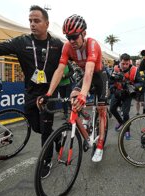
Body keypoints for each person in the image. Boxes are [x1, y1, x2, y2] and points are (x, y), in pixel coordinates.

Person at [0, 5, 64, 148]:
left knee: (46, 130)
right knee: (36, 127)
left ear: (47, 24)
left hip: (49, 93)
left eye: (36, 21)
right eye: (30, 21)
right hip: (30, 93)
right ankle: (57, 135)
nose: (32, 24)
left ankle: (45, 164)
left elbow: (73, 57)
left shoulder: (57, 44)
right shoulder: (22, 42)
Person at [44, 14, 109, 162]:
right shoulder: (67, 47)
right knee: (73, 98)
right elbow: (60, 70)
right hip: (87, 76)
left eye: (74, 36)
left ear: (84, 33)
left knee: (101, 109)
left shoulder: (92, 44)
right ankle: (86, 128)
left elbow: (90, 71)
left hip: (98, 76)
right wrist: (48, 93)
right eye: (68, 37)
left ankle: (99, 145)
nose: (71, 41)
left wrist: (84, 95)